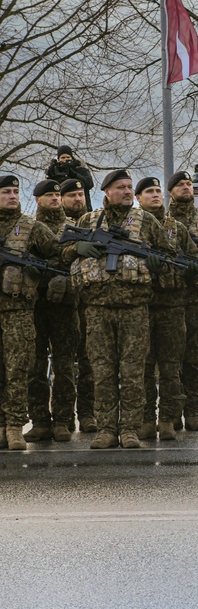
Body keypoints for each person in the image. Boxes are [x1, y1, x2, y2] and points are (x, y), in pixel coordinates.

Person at [59, 169, 175, 449]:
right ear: (107, 192)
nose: (125, 192)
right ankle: (106, 429)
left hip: (134, 309)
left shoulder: (145, 220)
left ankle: (129, 430)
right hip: (97, 309)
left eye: (128, 187)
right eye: (120, 187)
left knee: (133, 372)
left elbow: (167, 254)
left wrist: (161, 264)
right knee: (102, 371)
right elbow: (63, 251)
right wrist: (79, 248)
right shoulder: (89, 219)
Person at [0, 174, 64, 451]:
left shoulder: (31, 227)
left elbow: (60, 254)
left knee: (18, 370)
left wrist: (39, 268)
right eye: (5, 192)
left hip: (19, 311)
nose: (12, 196)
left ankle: (14, 426)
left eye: (15, 191)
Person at [136, 176, 198, 442]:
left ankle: (168, 420)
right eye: (148, 191)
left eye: (157, 191)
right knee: (144, 369)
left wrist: (192, 271)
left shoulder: (176, 227)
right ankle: (146, 419)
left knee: (172, 368)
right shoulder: (132, 226)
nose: (155, 195)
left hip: (172, 307)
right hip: (142, 306)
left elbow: (194, 258)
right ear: (138, 198)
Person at [24, 180, 79, 443]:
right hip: (35, 305)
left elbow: (80, 261)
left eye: (58, 195)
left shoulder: (73, 227)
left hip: (64, 306)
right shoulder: (26, 228)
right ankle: (40, 421)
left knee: (64, 366)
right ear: (38, 200)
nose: (55, 198)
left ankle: (63, 421)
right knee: (35, 367)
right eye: (49, 195)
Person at [166, 170, 198, 431]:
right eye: (180, 184)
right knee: (170, 361)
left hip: (195, 300)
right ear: (170, 191)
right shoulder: (162, 220)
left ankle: (193, 411)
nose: (185, 187)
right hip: (170, 300)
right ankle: (172, 412)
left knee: (192, 360)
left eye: (188, 184)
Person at [59, 178, 96, 432]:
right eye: (72, 195)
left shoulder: (94, 223)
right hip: (59, 305)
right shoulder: (54, 226)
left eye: (80, 194)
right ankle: (61, 418)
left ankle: (87, 414)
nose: (77, 199)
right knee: (61, 364)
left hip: (87, 302)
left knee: (89, 362)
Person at [45, 145, 95, 211]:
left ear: (72, 158)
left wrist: (74, 174)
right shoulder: (55, 172)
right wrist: (51, 172)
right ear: (58, 160)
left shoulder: (81, 169)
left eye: (68, 157)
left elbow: (89, 184)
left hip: (82, 207)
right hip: (61, 208)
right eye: (63, 157)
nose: (65, 159)